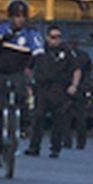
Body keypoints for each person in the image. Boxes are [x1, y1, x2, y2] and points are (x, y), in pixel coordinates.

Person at [0, 0, 43, 169]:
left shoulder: (31, 34)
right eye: (16, 16)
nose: (19, 20)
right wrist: (0, 41)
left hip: (17, 73)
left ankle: (20, 128)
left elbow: (38, 54)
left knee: (23, 99)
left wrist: (31, 69)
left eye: (22, 16)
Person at [25, 26, 80, 159]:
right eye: (53, 37)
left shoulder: (66, 51)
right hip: (42, 87)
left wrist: (74, 85)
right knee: (38, 118)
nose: (56, 40)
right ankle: (34, 147)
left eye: (59, 37)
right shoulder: (39, 50)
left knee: (58, 120)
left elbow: (76, 69)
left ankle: (55, 148)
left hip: (59, 88)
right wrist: (29, 84)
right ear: (47, 37)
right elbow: (28, 67)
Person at [64, 36, 91, 150]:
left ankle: (67, 141)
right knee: (80, 117)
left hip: (67, 88)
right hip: (80, 89)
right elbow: (88, 71)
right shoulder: (84, 55)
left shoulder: (64, 55)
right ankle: (81, 143)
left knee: (65, 117)